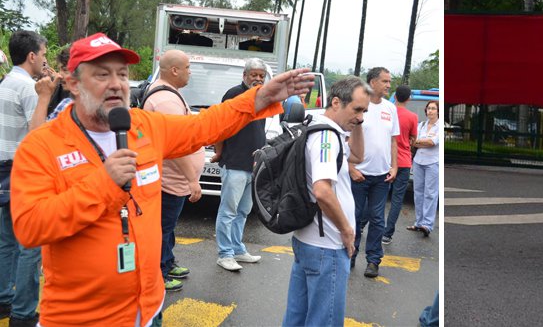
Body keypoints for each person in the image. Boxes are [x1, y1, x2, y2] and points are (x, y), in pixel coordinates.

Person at [9, 32, 314, 326]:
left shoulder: (143, 125)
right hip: (81, 318)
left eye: (123, 74)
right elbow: (30, 227)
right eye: (102, 75)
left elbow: (205, 126)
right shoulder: (41, 146)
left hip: (149, 307)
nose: (116, 84)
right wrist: (103, 184)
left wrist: (259, 99)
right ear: (74, 84)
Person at [282, 76, 368, 327]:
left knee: (296, 317)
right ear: (336, 102)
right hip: (327, 246)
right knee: (324, 321)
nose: (361, 116)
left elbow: (359, 156)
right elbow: (322, 191)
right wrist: (346, 229)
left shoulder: (324, 128)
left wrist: (357, 121)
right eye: (357, 109)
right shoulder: (327, 138)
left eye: (365, 111)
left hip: (309, 242)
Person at [143, 50, 205, 292]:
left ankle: (167, 262)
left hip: (171, 180)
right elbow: (175, 146)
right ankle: (159, 272)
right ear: (174, 70)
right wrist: (192, 179)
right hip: (169, 181)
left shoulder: (171, 94)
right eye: (188, 67)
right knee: (161, 228)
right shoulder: (166, 101)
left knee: (167, 227)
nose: (190, 71)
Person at [0, 30, 48, 326]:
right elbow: (37, 136)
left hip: (3, 171)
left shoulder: (5, 83)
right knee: (30, 244)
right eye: (43, 54)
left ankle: (4, 298)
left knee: (6, 240)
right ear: (31, 56)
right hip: (23, 173)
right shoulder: (29, 88)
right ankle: (24, 311)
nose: (45, 60)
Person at [212, 58, 269, 271]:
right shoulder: (234, 94)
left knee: (244, 210)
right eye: (254, 75)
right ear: (245, 76)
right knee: (228, 211)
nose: (257, 79)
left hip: (252, 166)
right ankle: (224, 254)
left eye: (261, 76)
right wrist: (219, 152)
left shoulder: (261, 97)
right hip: (234, 163)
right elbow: (220, 125)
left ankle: (237, 249)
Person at [349, 67, 399, 278]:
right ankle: (350, 255)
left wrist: (394, 166)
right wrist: (350, 168)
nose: (389, 85)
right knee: (355, 217)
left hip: (382, 176)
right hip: (359, 174)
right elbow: (346, 137)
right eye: (385, 81)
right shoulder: (360, 106)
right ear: (372, 82)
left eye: (389, 81)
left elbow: (393, 140)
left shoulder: (391, 108)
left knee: (378, 219)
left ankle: (373, 261)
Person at [383, 85, 418, 245]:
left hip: (386, 160)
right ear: (409, 98)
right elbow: (413, 140)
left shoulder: (387, 113)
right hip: (404, 161)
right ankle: (387, 234)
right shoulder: (412, 117)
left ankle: (362, 225)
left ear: (395, 96)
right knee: (397, 200)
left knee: (378, 196)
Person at [408, 101, 440, 237]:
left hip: (433, 162)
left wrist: (419, 142)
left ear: (438, 111)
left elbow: (432, 143)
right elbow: (412, 142)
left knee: (430, 194)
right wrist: (421, 143)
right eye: (429, 108)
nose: (430, 111)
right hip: (419, 161)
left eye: (433, 108)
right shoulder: (421, 125)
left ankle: (427, 224)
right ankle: (418, 222)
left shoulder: (439, 127)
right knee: (418, 192)